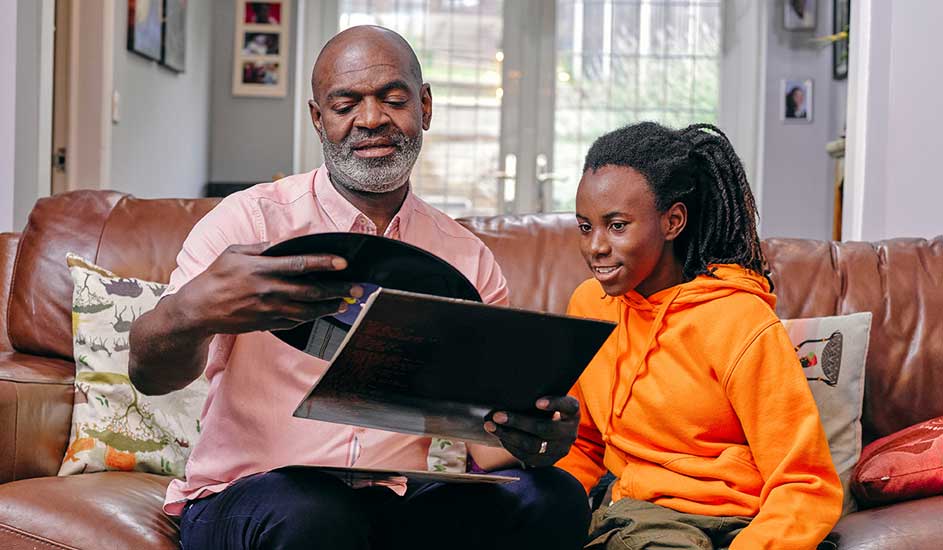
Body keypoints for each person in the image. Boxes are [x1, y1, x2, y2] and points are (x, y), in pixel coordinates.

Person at [129, 25, 589, 550]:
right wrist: (194, 312)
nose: (371, 119)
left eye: (393, 99)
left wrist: (538, 440)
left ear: (425, 108)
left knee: (553, 496)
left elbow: (486, 449)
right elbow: (150, 375)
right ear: (317, 118)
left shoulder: (466, 258)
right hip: (252, 496)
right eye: (346, 103)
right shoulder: (247, 222)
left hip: (392, 503)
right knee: (316, 515)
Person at [556, 122, 842, 549]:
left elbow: (804, 481)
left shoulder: (739, 321)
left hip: (742, 520)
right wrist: (546, 516)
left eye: (617, 226)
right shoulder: (589, 306)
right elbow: (583, 444)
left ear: (673, 221)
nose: (596, 246)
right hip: (640, 518)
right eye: (585, 227)